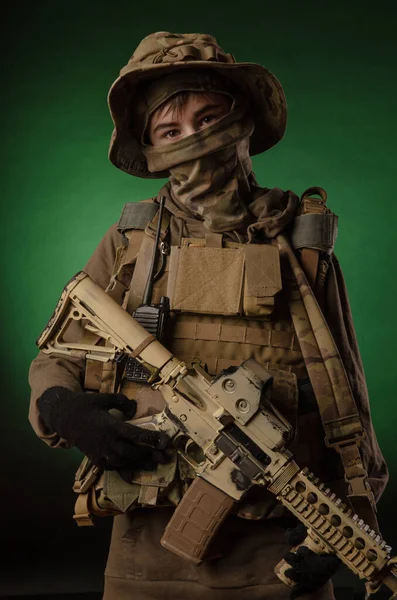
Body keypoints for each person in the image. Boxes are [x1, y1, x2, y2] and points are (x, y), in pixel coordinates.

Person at [28, 32, 388, 600]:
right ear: (149, 146)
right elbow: (60, 356)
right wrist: (61, 407)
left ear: (241, 123)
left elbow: (345, 399)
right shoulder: (132, 242)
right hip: (143, 549)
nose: (193, 141)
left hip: (273, 552)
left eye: (208, 119)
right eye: (170, 132)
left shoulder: (301, 246)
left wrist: (350, 513)